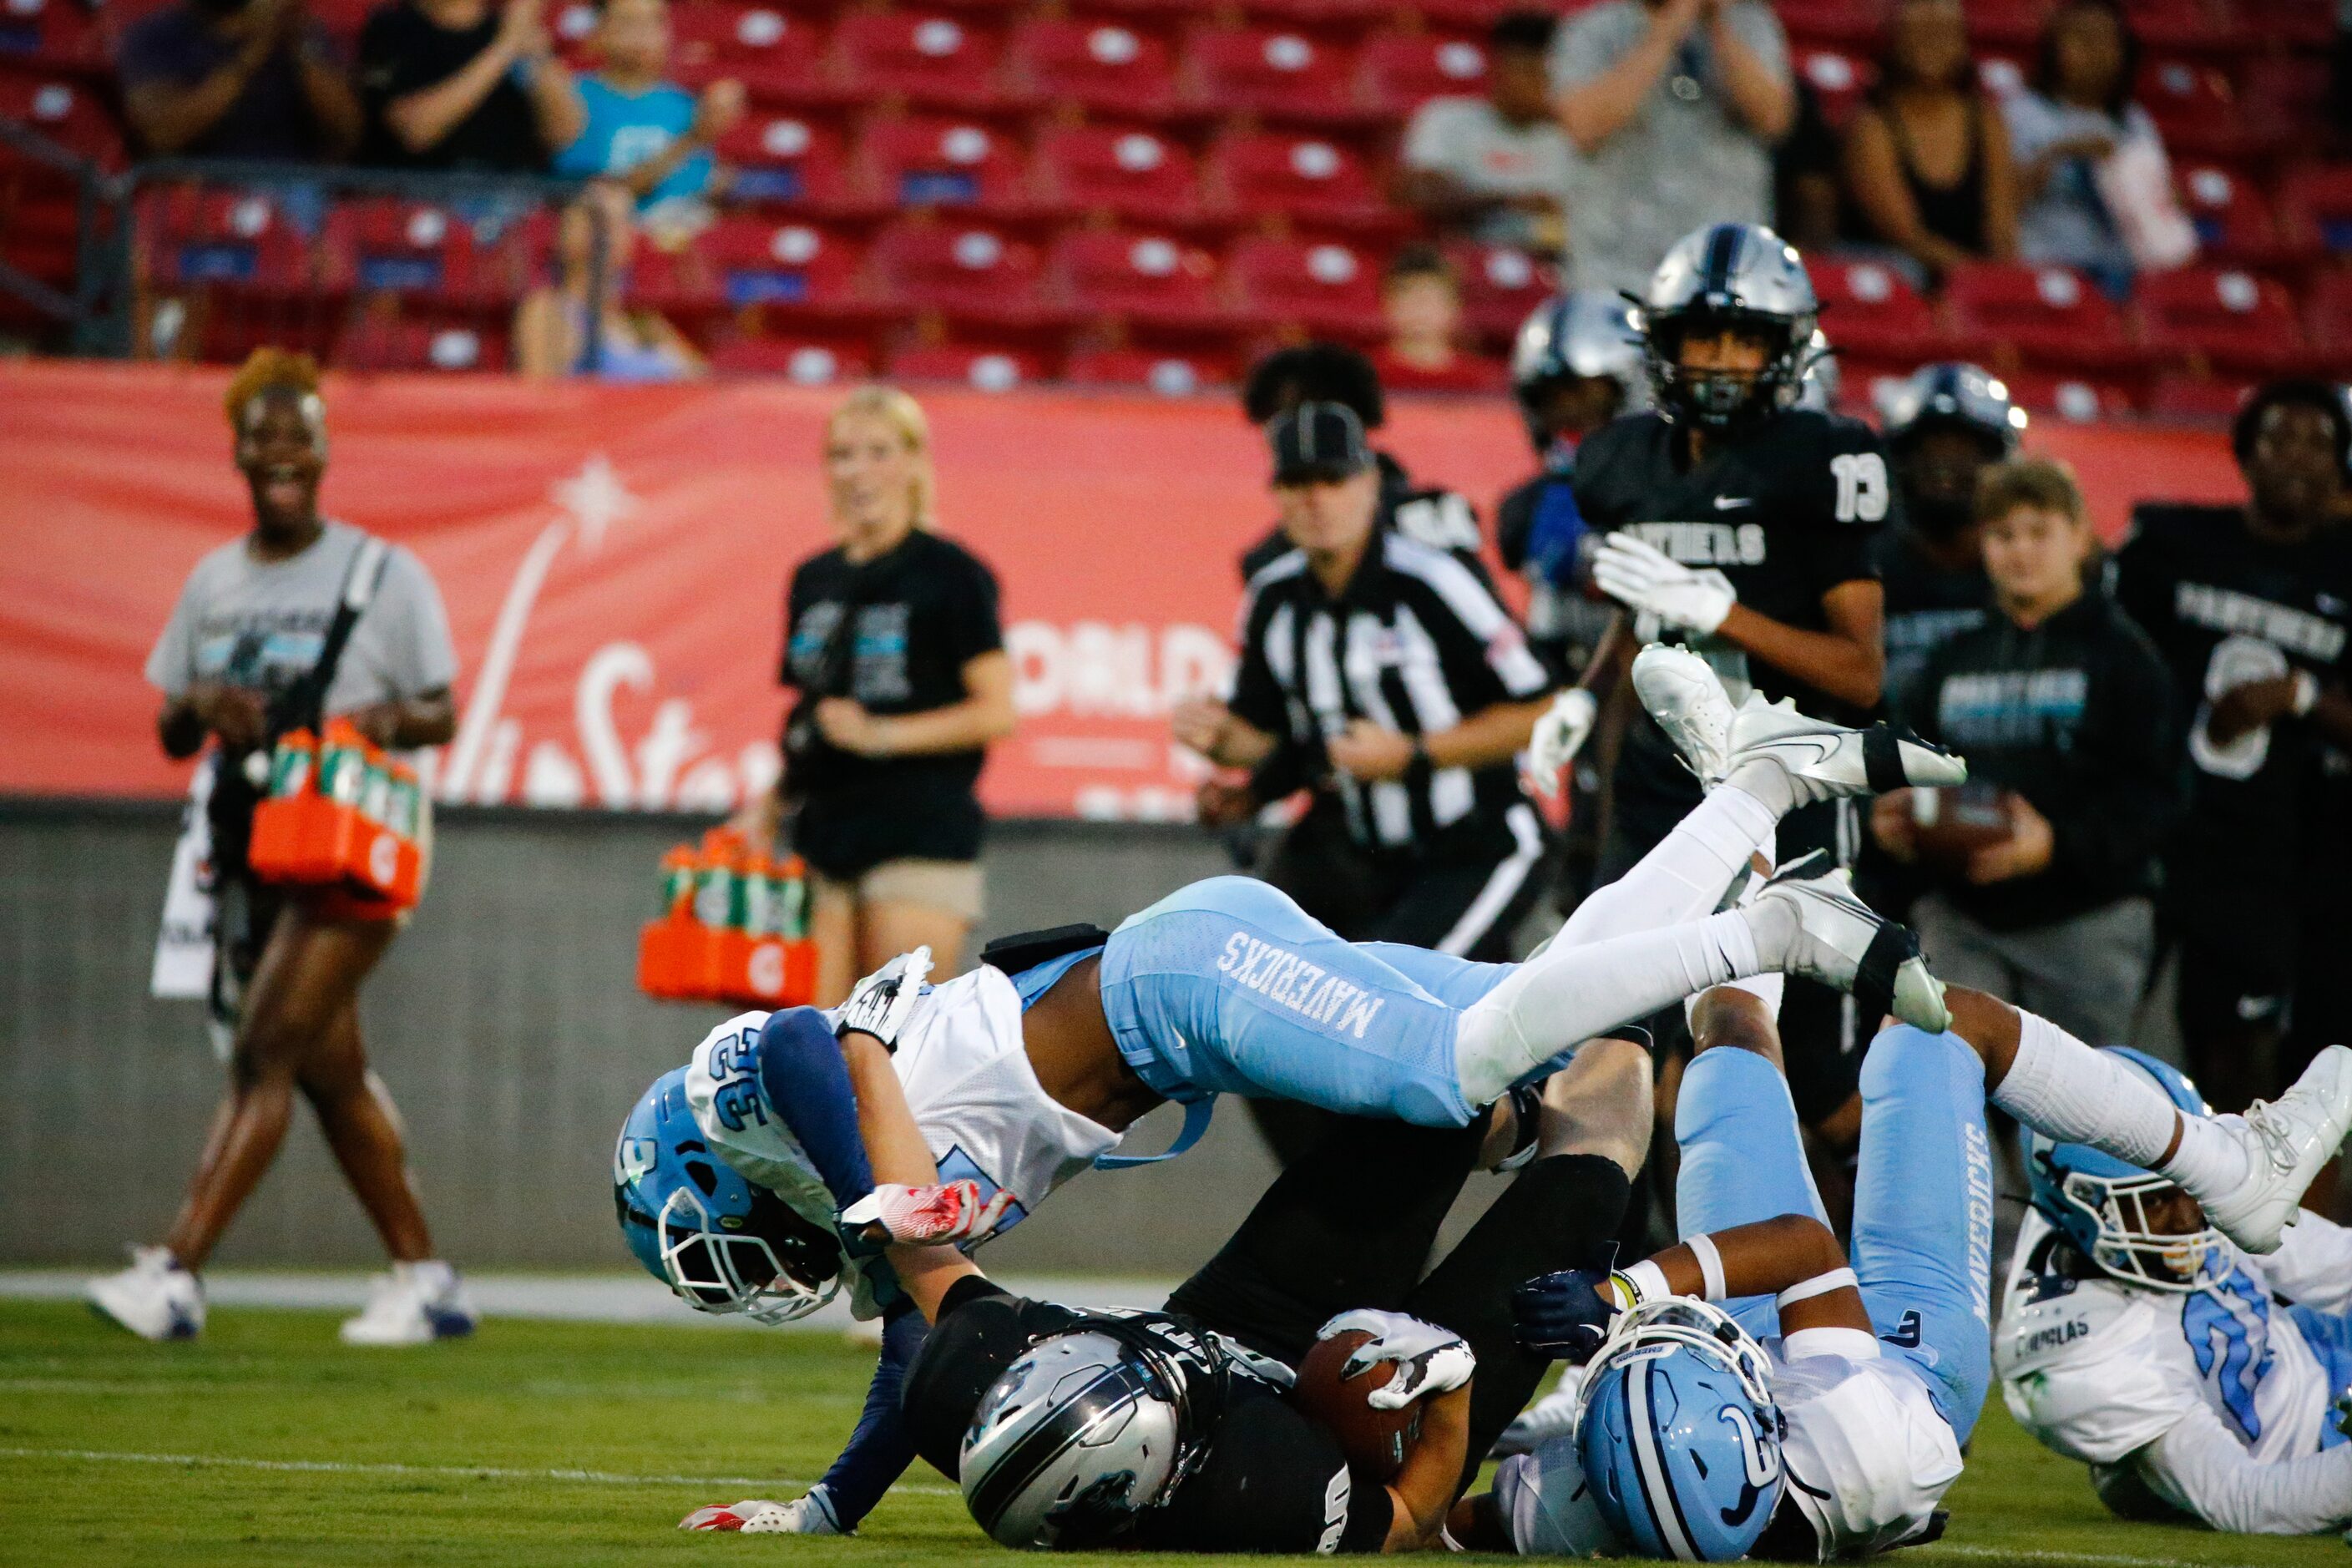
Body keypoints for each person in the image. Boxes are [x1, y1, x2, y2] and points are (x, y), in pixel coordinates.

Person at [615, 648, 1965, 1531]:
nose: (746, 1265)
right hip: (1190, 991)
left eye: (717, 1239)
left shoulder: (782, 1101)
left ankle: (1772, 935)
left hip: (1182, 986)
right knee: (1553, 1002)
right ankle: (1758, 787)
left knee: (1465, 1063)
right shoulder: (870, 1213)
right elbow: (920, 1353)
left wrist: (873, 1192)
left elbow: (799, 1038)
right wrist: (824, 1507)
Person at [1460, 972, 2352, 1560]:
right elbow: (1805, 1252)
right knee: (1936, 1027)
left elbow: (1442, 1522)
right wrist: (1631, 1293)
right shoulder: (1861, 1442)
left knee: (1726, 1051)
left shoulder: (1600, 1497)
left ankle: (1758, 845)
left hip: (1788, 1412)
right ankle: (2229, 1166)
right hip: (1908, 1369)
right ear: (1749, 1396)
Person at [87, 350, 473, 1348]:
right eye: (262, 436)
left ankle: (177, 1273)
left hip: (353, 842)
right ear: (238, 453)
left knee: (264, 1049)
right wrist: (200, 704)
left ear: (325, 447)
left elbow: (443, 712)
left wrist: (377, 723)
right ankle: (425, 1279)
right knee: (325, 1071)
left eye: (298, 433)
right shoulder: (212, 581)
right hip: (256, 852)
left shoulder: (380, 573)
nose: (282, 453)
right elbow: (172, 732)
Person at [1527, 221, 1900, 1162]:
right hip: (1662, 786)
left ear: (1787, 351)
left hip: (1790, 788)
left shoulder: (1822, 461)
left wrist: (1724, 610)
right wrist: (1584, 693)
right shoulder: (1622, 460)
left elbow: (1859, 674)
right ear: (1664, 344)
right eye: (1705, 337)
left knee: (1817, 1085)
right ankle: (1649, 1278)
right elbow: (1639, 602)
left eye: (1747, 340)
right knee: (1624, 1037)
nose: (1725, 360)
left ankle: (1846, 1285)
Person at [1178, 402, 1557, 960]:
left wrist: (1412, 754)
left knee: (1394, 993)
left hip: (1479, 843)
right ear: (1276, 495)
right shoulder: (1273, 599)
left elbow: (1546, 708)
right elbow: (1274, 740)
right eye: (1297, 482)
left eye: (1332, 479)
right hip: (1362, 858)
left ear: (1369, 484)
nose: (1315, 499)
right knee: (1253, 968)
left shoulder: (1431, 581)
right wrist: (1228, 760)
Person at [1873, 457, 2179, 1047]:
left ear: (2080, 537)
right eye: (2002, 534)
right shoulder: (1952, 657)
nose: (2020, 551)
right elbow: (1906, 763)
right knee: (1950, 1088)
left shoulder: (2127, 659)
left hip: (2086, 920)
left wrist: (2055, 845)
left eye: (2038, 532)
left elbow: (2159, 800)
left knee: (2077, 1122)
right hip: (1961, 918)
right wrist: (1891, 822)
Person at [2113, 381, 2352, 1115]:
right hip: (2160, 830)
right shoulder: (2172, 546)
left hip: (2289, 856)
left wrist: (2299, 696)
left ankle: (2246, 1217)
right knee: (2121, 1048)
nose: (2298, 459)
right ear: (2244, 453)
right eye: (2280, 437)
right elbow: (2109, 661)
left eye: (2318, 443)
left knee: (2255, 1065)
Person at [731, 387, 1014, 1005]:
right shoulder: (814, 578)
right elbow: (809, 716)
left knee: (893, 1043)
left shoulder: (951, 573)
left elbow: (997, 710)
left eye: (879, 452)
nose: (858, 471)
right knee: (810, 1044)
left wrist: (882, 735)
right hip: (824, 832)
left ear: (915, 463)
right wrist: (771, 807)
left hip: (918, 833)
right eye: (842, 455)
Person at [2000, 1049, 2352, 1538]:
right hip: (2311, 1460)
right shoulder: (2079, 1358)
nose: (2190, 1219)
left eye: (2194, 1184)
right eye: (2161, 1198)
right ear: (2084, 1205)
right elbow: (2249, 1500)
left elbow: (2339, 1264)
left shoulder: (2130, 1206)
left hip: (2322, 1351)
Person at [1495, 292, 1644, 908]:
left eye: (1587, 398)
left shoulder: (1677, 487)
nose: (1570, 418)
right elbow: (1562, 555)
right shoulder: (1530, 502)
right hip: (1565, 689)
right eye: (1553, 402)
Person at [1547, 0, 1794, 296]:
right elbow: (1584, 125)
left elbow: (1773, 118)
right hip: (1614, 271)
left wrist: (1717, 26)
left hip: (1726, 275)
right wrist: (1671, 25)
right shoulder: (1593, 29)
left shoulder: (1750, 24)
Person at [1870, 362, 2026, 710]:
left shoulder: (2029, 572)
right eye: (1927, 451)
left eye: (1965, 451)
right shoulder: (1860, 568)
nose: (1945, 466)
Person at [1840, 0, 2018, 283]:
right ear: (1895, 40)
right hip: (1896, 277)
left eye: (1944, 33)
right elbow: (1904, 235)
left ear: (1964, 44)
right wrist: (1979, 278)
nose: (1932, 43)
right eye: (1920, 32)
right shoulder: (1870, 125)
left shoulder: (1987, 121)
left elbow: (2001, 226)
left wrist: (2003, 282)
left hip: (1969, 279)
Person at [2003, 0, 2177, 284]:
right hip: (2046, 266)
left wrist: (2124, 165)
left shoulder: (2134, 120)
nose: (2095, 51)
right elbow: (2000, 205)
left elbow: (2165, 203)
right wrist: (2059, 153)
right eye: (2082, 39)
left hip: (2126, 269)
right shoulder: (2021, 113)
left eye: (2106, 40)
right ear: (2053, 48)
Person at [547, 0, 742, 229]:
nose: (645, 34)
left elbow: (701, 189)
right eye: (630, 23)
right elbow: (602, 193)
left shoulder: (685, 105)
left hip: (681, 238)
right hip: (614, 241)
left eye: (655, 21)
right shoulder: (575, 100)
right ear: (599, 31)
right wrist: (692, 139)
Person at [1397, 10, 1573, 254]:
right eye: (1535, 73)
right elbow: (1422, 193)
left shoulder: (1574, 134)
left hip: (1558, 264)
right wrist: (1508, 202)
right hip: (1471, 261)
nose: (1548, 86)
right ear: (1500, 70)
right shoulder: (1447, 119)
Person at [118, 0, 362, 160]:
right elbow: (164, 134)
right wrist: (260, 43)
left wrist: (298, 45)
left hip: (290, 186)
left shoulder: (299, 32)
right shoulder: (156, 36)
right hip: (195, 191)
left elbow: (346, 130)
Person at [357, 0, 582, 170]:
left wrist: (534, 52)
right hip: (420, 197)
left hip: (509, 202)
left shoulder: (510, 30)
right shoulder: (392, 27)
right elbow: (414, 131)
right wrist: (505, 46)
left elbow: (564, 133)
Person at [513, 180, 704, 381]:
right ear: (566, 230)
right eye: (596, 219)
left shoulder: (645, 323)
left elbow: (706, 390)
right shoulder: (548, 309)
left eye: (622, 221)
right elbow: (542, 397)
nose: (607, 232)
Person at [1368, 245, 1506, 396]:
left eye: (1430, 299)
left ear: (1455, 307)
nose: (1419, 308)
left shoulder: (1486, 379)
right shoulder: (1365, 375)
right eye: (1407, 298)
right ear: (1386, 304)